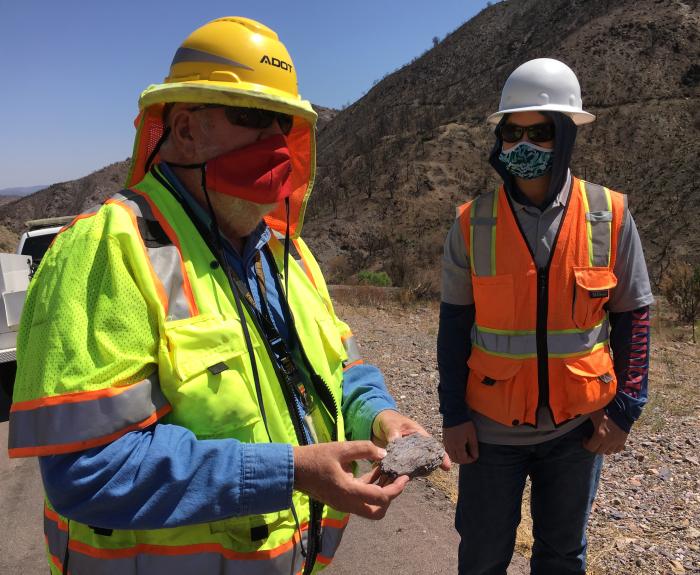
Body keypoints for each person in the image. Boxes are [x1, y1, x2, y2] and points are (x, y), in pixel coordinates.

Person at [8, 17, 446, 575]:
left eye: (282, 125)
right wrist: (291, 472)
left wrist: (381, 415)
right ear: (186, 128)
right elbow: (87, 470)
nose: (275, 144)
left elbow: (342, 370)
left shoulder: (289, 256)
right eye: (253, 119)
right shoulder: (107, 251)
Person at [437, 58, 652, 575]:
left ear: (566, 136)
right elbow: (453, 328)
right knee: (483, 555)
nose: (524, 145)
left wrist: (625, 408)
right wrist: (454, 415)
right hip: (490, 432)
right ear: (499, 137)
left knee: (562, 556)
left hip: (578, 431)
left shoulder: (611, 214)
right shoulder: (472, 223)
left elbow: (633, 319)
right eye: (513, 132)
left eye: (540, 131)